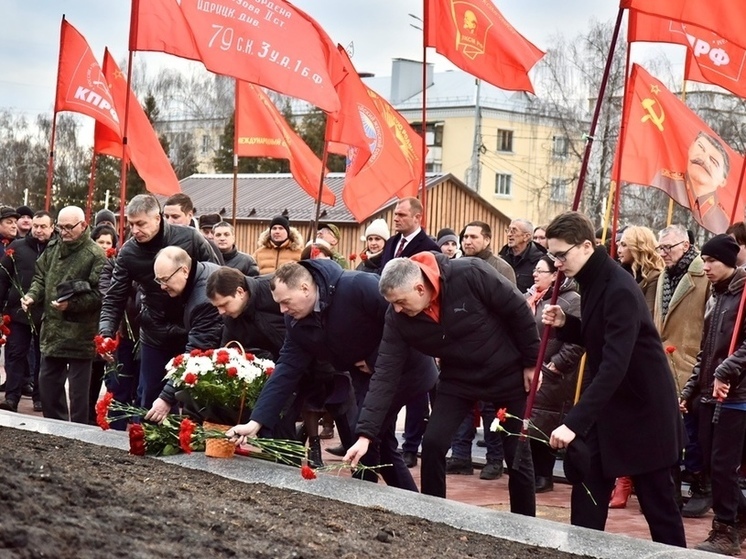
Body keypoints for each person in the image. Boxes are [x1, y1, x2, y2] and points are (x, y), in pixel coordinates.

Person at [346, 253, 540, 515]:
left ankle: (525, 524)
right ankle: (433, 515)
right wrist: (365, 435)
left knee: (516, 453)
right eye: (393, 304)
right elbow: (385, 374)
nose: (398, 309)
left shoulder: (470, 273)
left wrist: (531, 362)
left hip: (506, 373)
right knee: (434, 443)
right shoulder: (397, 318)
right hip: (457, 379)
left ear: (419, 287)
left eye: (401, 301)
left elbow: (517, 309)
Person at [227, 260, 439, 491]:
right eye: (279, 304)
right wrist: (256, 421)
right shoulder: (296, 321)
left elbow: (402, 318)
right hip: (366, 378)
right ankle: (407, 501)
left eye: (286, 302)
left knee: (367, 436)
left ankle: (368, 495)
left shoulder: (358, 286)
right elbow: (287, 368)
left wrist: (374, 359)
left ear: (305, 289)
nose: (282, 310)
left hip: (406, 370)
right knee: (378, 442)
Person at [541, 211, 685, 547]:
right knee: (587, 494)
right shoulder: (592, 278)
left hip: (645, 413)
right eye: (553, 256)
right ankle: (582, 551)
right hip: (612, 410)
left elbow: (615, 364)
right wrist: (568, 323)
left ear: (587, 245)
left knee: (659, 508)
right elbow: (601, 337)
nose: (557, 263)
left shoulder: (618, 286)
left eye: (562, 255)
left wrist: (573, 422)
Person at [98, 194, 220, 409]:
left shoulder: (190, 238)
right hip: (154, 331)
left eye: (141, 224)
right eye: (131, 224)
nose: (135, 230)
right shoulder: (128, 252)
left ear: (158, 218)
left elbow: (216, 277)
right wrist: (106, 332)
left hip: (192, 327)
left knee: (195, 398)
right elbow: (114, 297)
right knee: (152, 398)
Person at [679, 235, 746, 554]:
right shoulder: (714, 295)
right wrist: (690, 390)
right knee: (707, 462)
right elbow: (706, 351)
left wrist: (726, 371)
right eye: (703, 260)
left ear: (730, 263)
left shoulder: (744, 293)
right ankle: (741, 515)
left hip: (738, 395)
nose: (705, 266)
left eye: (712, 261)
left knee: (723, 465)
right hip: (709, 393)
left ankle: (725, 531)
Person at [21, 206, 107, 424]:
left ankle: (78, 434)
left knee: (79, 396)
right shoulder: (53, 247)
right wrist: (32, 296)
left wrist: (72, 304)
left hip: (81, 333)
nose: (64, 231)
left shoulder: (95, 254)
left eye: (69, 227)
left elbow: (100, 294)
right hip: (53, 330)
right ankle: (56, 427)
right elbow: (40, 277)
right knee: (48, 385)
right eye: (61, 227)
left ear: (83, 225)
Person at [446, 220, 515, 481]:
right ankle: (460, 456)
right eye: (465, 236)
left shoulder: (501, 268)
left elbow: (511, 308)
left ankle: (494, 460)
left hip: (492, 349)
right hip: (460, 346)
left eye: (474, 237)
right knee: (462, 405)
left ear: (487, 239)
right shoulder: (455, 266)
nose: (467, 241)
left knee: (490, 410)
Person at [654, 224, 711, 518]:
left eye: (668, 248)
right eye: (659, 248)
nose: (662, 254)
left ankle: (701, 486)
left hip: (691, 362)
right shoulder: (665, 275)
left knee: (691, 432)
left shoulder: (704, 276)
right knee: (667, 431)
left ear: (686, 246)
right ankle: (671, 490)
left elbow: (709, 323)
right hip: (664, 363)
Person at [608, 225, 665, 508]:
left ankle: (634, 480)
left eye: (624, 245)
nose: (618, 250)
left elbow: (652, 320)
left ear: (638, 247)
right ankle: (623, 478)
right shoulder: (625, 276)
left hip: (647, 356)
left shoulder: (655, 279)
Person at [145, 247, 224, 423]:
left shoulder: (203, 300)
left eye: (165, 279)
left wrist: (165, 398)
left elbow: (197, 352)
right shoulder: (202, 272)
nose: (162, 286)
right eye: (158, 280)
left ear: (185, 271)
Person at [525, 255, 582, 493]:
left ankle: (544, 475)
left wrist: (557, 364)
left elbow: (577, 340)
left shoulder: (571, 301)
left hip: (554, 373)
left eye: (541, 271)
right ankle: (531, 472)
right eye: (535, 271)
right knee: (531, 421)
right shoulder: (531, 298)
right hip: (532, 369)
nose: (535, 275)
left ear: (554, 275)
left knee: (546, 423)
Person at [0, 211, 55, 412]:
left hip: (47, 314)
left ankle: (40, 397)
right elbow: (3, 278)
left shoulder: (57, 249)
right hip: (18, 312)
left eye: (43, 226)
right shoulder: (17, 247)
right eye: (36, 226)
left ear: (52, 227)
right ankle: (12, 397)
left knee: (43, 357)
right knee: (15, 353)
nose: (39, 230)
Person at [655, 132, 731, 233]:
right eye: (701, 148)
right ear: (690, 148)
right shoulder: (664, 180)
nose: (704, 159)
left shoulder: (723, 222)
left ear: (722, 181)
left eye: (713, 161)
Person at [162, 193, 224, 265]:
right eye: (166, 217)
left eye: (175, 217)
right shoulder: (156, 243)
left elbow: (217, 273)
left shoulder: (205, 246)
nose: (169, 221)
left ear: (189, 215)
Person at [380, 197, 439, 265]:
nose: (395, 219)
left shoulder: (430, 248)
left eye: (401, 215)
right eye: (396, 214)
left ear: (417, 217)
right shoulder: (390, 242)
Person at [499, 219, 546, 294]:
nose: (509, 234)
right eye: (508, 230)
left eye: (514, 231)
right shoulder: (501, 258)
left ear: (526, 236)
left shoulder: (540, 261)